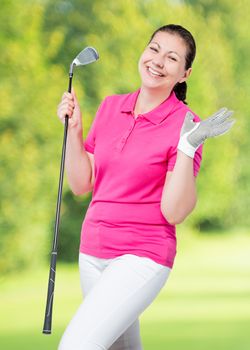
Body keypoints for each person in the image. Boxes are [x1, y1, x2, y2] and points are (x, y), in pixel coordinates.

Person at [56, 24, 235, 350]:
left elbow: (174, 210)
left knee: (77, 345)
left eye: (171, 58)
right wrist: (74, 130)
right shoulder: (111, 106)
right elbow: (82, 183)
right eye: (154, 49)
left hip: (142, 255)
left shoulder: (186, 124)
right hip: (93, 249)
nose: (158, 61)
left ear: (184, 73)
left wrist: (187, 147)